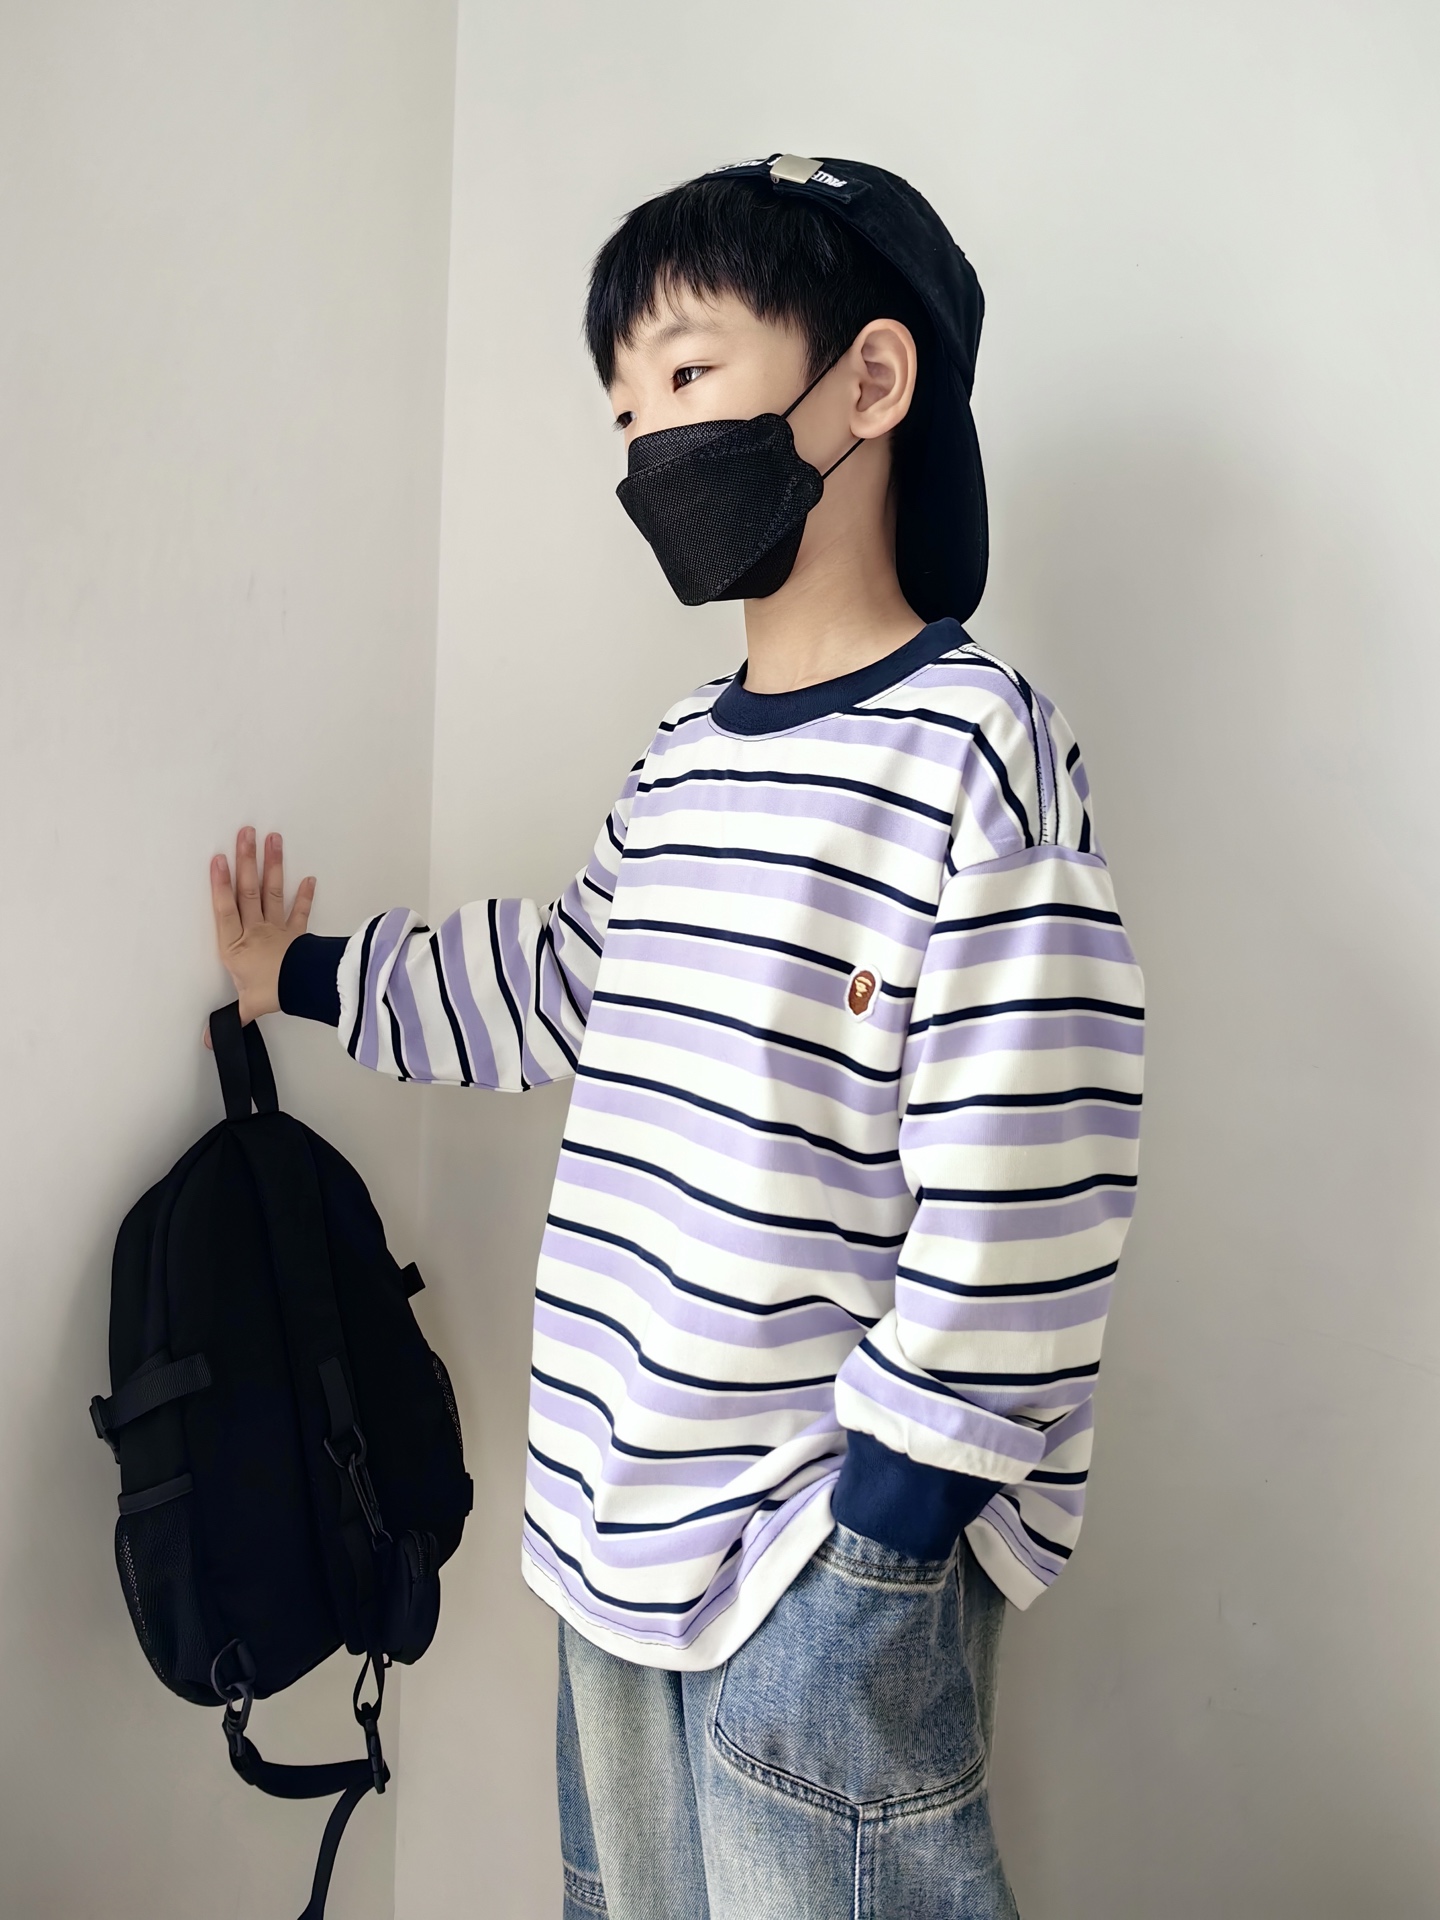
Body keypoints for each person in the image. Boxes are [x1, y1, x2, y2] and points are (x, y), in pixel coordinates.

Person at [211, 155, 1145, 1920]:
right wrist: (304, 973)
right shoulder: (682, 757)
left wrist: (888, 1526)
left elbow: (1035, 1179)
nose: (648, 442)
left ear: (870, 381)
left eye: (688, 374)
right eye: (625, 409)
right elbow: (562, 979)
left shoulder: (974, 748)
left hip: (814, 1551)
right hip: (609, 1528)